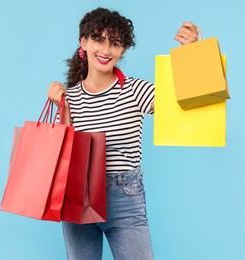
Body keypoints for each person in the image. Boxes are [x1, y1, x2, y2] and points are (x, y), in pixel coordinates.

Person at [47, 7, 198, 260]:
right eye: (98, 39)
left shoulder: (135, 90)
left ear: (123, 50)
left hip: (124, 198)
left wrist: (191, 52)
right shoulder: (69, 97)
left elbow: (180, 103)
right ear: (83, 42)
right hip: (77, 194)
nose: (105, 50)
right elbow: (63, 155)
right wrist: (61, 109)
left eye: (114, 43)